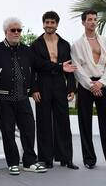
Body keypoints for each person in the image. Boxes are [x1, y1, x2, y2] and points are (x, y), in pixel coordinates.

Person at [0, 17, 77, 175]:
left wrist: (60, 67)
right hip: (3, 98)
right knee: (8, 131)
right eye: (13, 30)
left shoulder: (27, 50)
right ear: (6, 32)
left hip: (23, 97)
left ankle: (29, 161)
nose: (16, 33)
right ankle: (12, 163)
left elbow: (41, 65)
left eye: (19, 30)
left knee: (29, 129)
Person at [70, 10, 106, 171]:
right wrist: (91, 85)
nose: (93, 22)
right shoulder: (76, 44)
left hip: (103, 84)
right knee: (85, 123)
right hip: (85, 86)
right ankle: (89, 159)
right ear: (83, 22)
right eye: (89, 19)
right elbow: (77, 68)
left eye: (95, 19)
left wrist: (101, 83)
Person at [31, 11, 78, 170]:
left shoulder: (65, 44)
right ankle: (45, 158)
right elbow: (34, 68)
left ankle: (66, 158)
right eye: (47, 22)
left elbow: (69, 67)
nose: (49, 25)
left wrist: (71, 87)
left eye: (52, 22)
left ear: (57, 24)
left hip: (59, 83)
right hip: (43, 83)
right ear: (43, 23)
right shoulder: (36, 44)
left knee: (63, 121)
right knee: (43, 121)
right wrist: (34, 88)